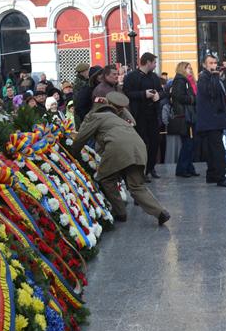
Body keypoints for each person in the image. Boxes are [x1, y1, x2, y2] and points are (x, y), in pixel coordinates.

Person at [71, 92, 170, 225]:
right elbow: (132, 123)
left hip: (117, 149)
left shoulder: (96, 116)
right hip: (139, 148)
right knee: (136, 186)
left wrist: (71, 154)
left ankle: (120, 213)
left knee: (106, 178)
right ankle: (160, 212)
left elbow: (80, 138)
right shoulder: (119, 117)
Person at [196, 55, 226, 187]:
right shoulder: (205, 77)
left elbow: (216, 94)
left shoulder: (211, 77)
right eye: (211, 63)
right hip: (211, 120)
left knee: (212, 149)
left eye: (215, 63)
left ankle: (212, 175)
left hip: (214, 119)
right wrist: (215, 76)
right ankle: (220, 177)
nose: (214, 65)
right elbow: (211, 92)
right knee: (218, 150)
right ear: (204, 65)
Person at [123, 53, 164, 181]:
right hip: (139, 115)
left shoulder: (154, 77)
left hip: (153, 114)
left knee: (154, 142)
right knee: (141, 144)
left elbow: (162, 91)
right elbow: (127, 93)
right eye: (154, 63)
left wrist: (159, 95)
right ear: (147, 62)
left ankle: (151, 167)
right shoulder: (131, 77)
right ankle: (142, 170)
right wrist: (143, 94)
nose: (155, 65)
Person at [170, 62, 199, 178]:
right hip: (185, 116)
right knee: (188, 143)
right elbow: (179, 97)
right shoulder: (180, 81)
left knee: (190, 143)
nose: (190, 70)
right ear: (182, 69)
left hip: (190, 115)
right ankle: (182, 169)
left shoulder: (188, 81)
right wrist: (193, 99)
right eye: (188, 68)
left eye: (191, 68)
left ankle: (188, 167)